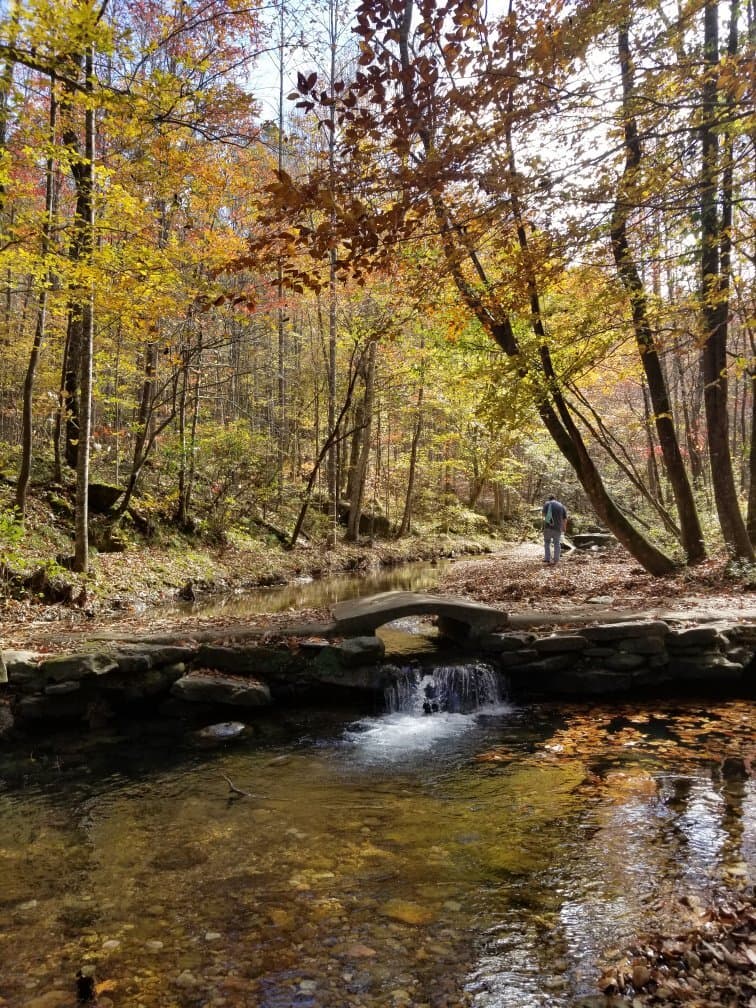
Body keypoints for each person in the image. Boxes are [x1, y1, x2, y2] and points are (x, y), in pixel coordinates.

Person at [542, 494, 568, 565]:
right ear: (555, 499)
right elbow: (565, 519)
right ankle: (556, 560)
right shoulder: (561, 505)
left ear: (549, 499)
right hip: (557, 528)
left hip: (548, 527)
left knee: (547, 542)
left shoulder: (547, 504)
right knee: (557, 543)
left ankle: (547, 559)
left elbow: (543, 515)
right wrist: (564, 527)